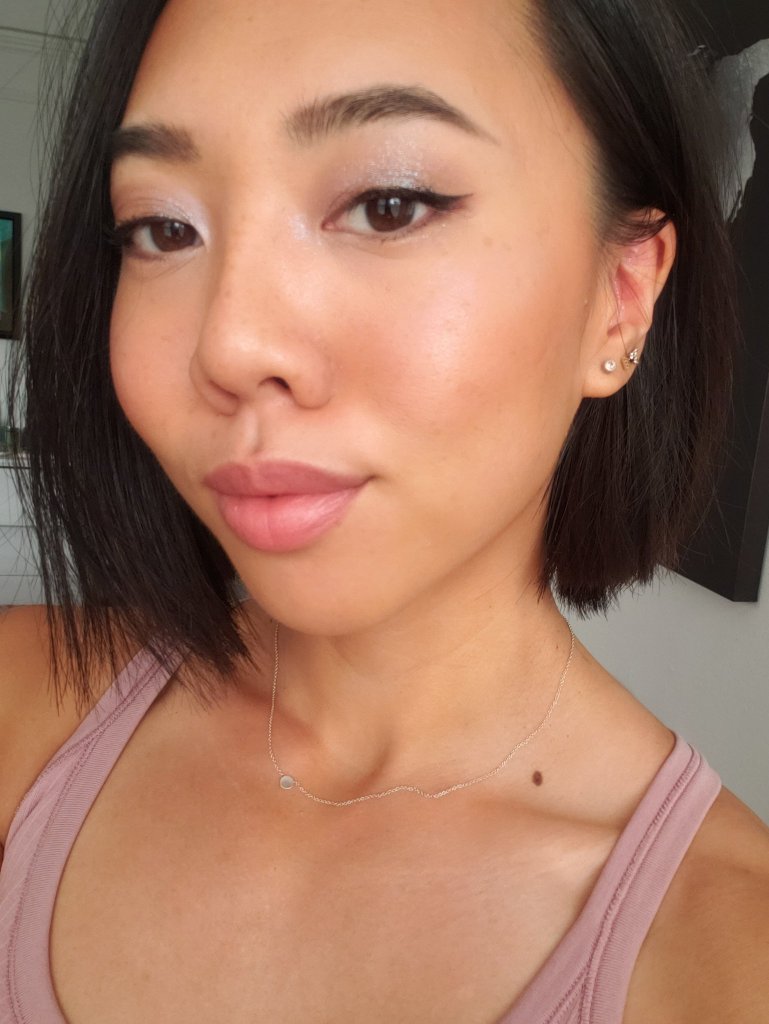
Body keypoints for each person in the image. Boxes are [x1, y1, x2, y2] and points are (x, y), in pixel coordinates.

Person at [1, 0, 768, 1020]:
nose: (228, 345)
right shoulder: (20, 710)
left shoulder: (728, 958)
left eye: (388, 205)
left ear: (619, 296)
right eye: (163, 228)